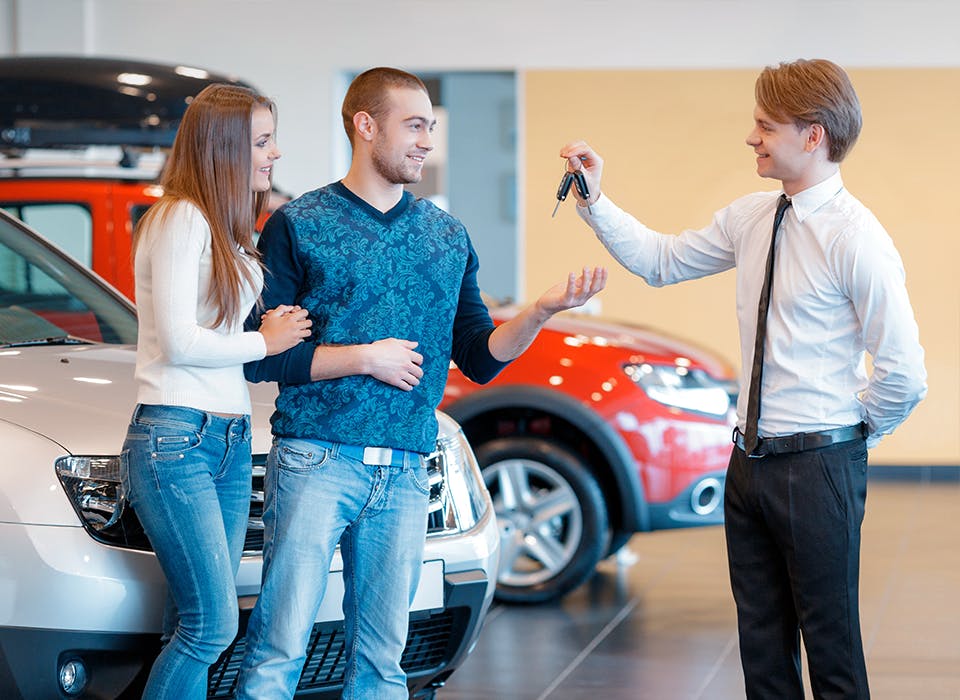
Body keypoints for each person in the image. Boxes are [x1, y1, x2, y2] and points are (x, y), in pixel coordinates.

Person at [236, 66, 606, 699]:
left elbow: (481, 357)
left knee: (383, 666)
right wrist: (364, 357)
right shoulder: (298, 223)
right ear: (365, 125)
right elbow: (261, 357)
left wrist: (540, 311)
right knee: (278, 653)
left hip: (410, 471)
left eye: (429, 128)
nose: (426, 141)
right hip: (315, 460)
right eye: (413, 126)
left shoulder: (447, 236)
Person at [560, 58, 926, 699]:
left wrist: (847, 436)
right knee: (761, 647)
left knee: (832, 651)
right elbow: (660, 260)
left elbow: (904, 374)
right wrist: (595, 199)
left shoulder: (857, 238)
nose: (751, 137)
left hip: (820, 466)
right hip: (748, 465)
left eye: (765, 125)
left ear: (813, 135)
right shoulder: (753, 217)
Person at [120, 83, 311, 698]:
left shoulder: (224, 228)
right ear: (223, 148)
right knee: (210, 628)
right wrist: (267, 342)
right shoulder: (179, 218)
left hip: (225, 438)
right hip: (174, 439)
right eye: (261, 141)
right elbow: (179, 342)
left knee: (191, 625)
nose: (275, 153)